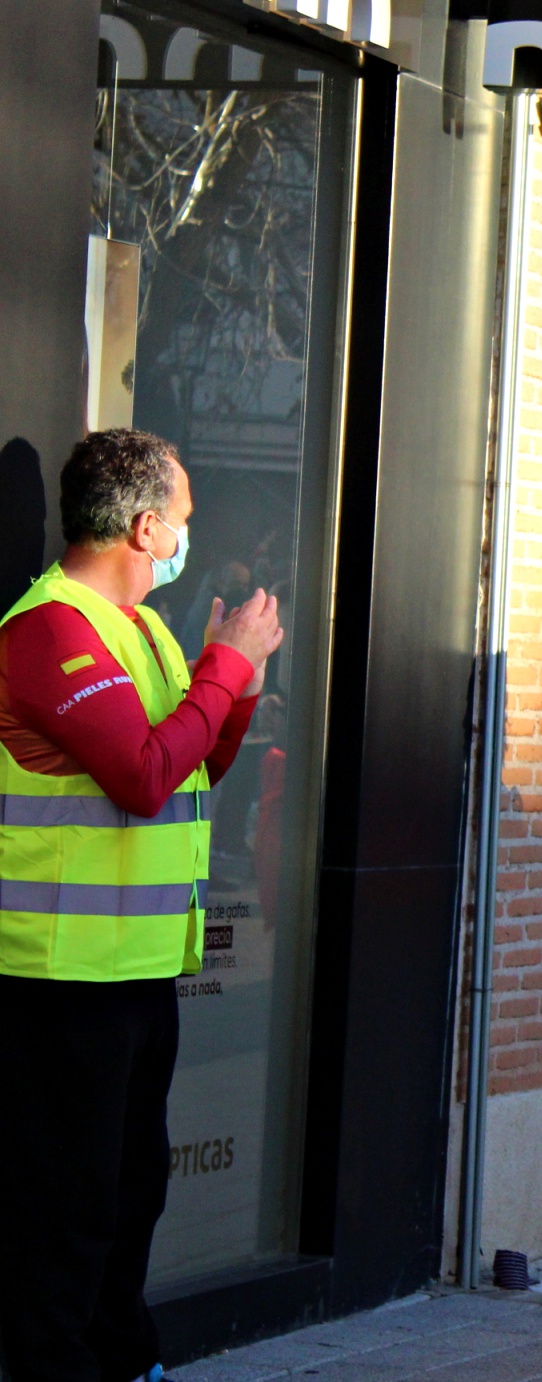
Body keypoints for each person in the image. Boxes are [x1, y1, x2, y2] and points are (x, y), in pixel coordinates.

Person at [0, 430, 282, 1382]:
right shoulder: (48, 631)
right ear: (145, 524)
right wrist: (229, 670)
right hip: (60, 977)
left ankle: (124, 1359)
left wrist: (229, 684)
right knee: (69, 1206)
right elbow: (142, 775)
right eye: (186, 520)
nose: (190, 537)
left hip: (140, 968)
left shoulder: (150, 630)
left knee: (133, 1192)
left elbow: (198, 763)